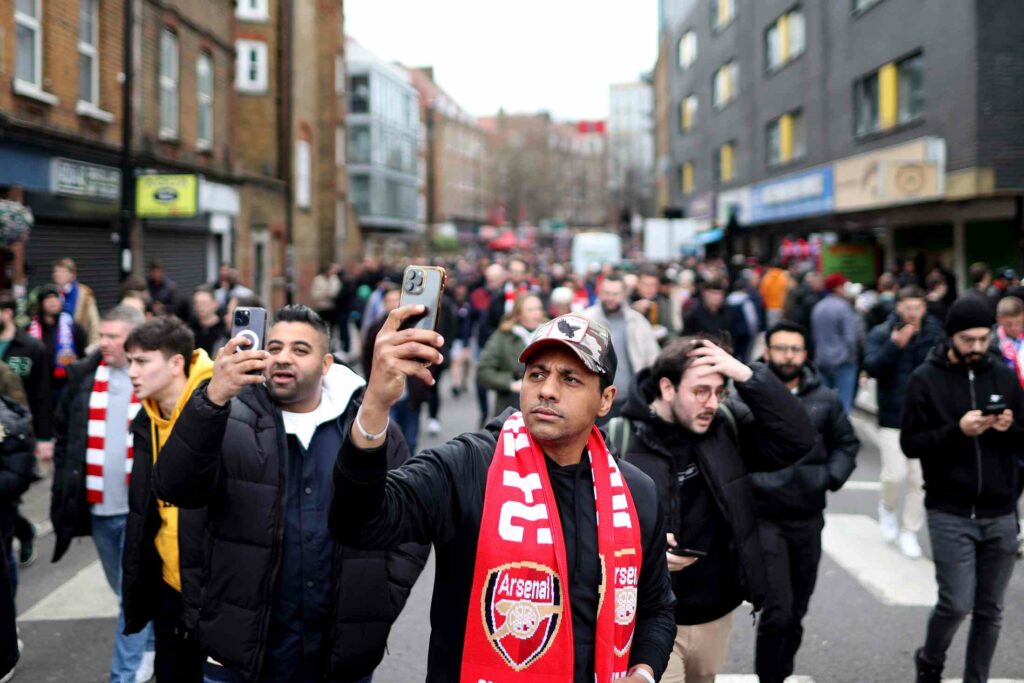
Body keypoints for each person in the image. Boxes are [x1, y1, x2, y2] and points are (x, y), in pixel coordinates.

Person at [332, 310, 676, 682]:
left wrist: (643, 673)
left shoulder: (635, 493)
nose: (546, 389)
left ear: (606, 400)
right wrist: (375, 406)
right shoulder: (468, 465)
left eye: (570, 378)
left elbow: (656, 606)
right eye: (537, 374)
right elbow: (358, 524)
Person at [152, 305, 428, 682]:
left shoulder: (369, 427)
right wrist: (212, 397)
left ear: (326, 363)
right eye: (275, 347)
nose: (283, 358)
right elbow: (174, 486)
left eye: (300, 350)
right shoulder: (225, 416)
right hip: (240, 656)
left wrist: (380, 599)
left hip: (339, 657)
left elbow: (409, 526)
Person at [613, 335, 816, 683]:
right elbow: (592, 522)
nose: (711, 403)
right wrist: (647, 550)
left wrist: (748, 376)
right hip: (648, 617)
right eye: (700, 391)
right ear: (667, 387)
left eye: (719, 392)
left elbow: (798, 438)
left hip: (715, 611)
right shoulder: (621, 437)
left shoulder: (726, 427)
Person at [902, 297, 1022, 683]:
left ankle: (977, 679)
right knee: (956, 603)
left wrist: (1010, 428)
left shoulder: (1004, 374)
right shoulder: (925, 378)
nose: (976, 348)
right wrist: (957, 431)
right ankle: (930, 659)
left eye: (983, 339)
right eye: (967, 339)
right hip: (949, 510)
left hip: (1001, 511)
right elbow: (911, 443)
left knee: (990, 610)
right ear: (951, 337)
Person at [51, 305, 156, 683]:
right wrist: (62, 488)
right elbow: (65, 434)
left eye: (114, 336)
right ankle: (149, 645)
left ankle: (123, 676)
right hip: (98, 507)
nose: (104, 342)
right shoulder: (83, 377)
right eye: (103, 335)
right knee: (122, 588)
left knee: (131, 595)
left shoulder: (150, 378)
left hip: (139, 510)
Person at [752, 321, 860, 683]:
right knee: (777, 611)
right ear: (767, 353)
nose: (788, 356)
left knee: (797, 610)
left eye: (795, 349)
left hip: (808, 516)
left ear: (805, 354)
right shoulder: (748, 395)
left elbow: (847, 444)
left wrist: (829, 478)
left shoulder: (824, 398)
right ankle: (769, 677)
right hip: (765, 518)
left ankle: (781, 674)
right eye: (781, 348)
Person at [121, 317, 215, 683]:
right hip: (169, 590)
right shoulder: (146, 420)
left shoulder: (222, 410)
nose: (131, 372)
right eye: (130, 361)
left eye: (142, 361)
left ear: (177, 363)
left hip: (215, 593)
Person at [863, 285, 946, 558]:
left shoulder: (935, 334)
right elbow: (872, 366)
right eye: (907, 307)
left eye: (917, 307)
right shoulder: (881, 332)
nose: (912, 313)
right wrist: (894, 345)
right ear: (898, 307)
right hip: (892, 415)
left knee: (918, 480)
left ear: (924, 307)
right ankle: (887, 509)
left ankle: (909, 531)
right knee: (895, 475)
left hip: (925, 418)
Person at [584, 274, 660, 415]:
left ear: (624, 294)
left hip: (632, 398)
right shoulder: (586, 320)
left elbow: (652, 357)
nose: (610, 298)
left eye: (615, 293)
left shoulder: (637, 321)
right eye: (607, 293)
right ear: (600, 292)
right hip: (596, 399)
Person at [29, 285, 89, 453]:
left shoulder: (73, 328)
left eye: (55, 298)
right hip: (39, 389)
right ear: (41, 304)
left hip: (65, 385)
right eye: (48, 299)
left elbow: (83, 357)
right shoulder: (29, 329)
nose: (53, 302)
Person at [476, 293, 547, 418]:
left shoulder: (550, 335)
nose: (537, 313)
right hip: (511, 408)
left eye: (539, 308)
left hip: (546, 407)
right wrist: (510, 383)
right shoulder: (503, 336)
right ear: (518, 315)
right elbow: (483, 371)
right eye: (531, 310)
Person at [809, 273, 860, 412]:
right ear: (837, 288)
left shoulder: (818, 307)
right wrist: (853, 356)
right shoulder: (844, 307)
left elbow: (814, 336)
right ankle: (840, 431)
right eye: (843, 286)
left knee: (824, 402)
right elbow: (850, 337)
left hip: (822, 359)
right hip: (842, 361)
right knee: (844, 403)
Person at [52, 257, 100, 348]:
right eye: (56, 271)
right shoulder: (51, 293)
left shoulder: (84, 293)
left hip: (78, 343)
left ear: (72, 275)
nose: (58, 275)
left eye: (63, 272)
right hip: (57, 344)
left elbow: (94, 323)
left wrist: (93, 346)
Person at [632, 267, 676, 342]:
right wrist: (634, 311)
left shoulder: (663, 302)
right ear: (638, 284)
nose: (650, 288)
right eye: (645, 284)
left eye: (653, 285)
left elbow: (672, 332)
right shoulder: (628, 301)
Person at [189, 286, 228, 357]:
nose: (199, 306)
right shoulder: (189, 329)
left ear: (215, 304)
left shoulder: (224, 330)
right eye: (196, 302)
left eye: (204, 303)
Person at [310, 263, 342, 342]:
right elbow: (314, 294)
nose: (331, 272)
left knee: (332, 328)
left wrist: (329, 294)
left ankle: (330, 342)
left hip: (332, 307)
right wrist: (324, 294)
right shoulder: (318, 279)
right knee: (321, 326)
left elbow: (336, 291)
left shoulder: (334, 279)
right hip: (321, 307)